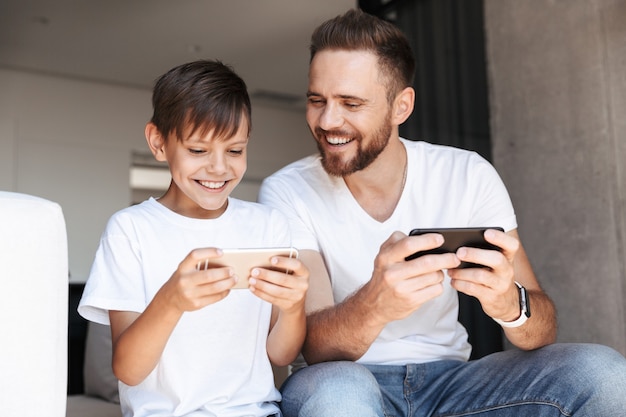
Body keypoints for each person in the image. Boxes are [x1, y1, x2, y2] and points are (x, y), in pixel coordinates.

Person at [258, 9, 626, 417]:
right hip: (342, 377)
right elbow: (312, 345)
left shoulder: (467, 174)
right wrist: (376, 304)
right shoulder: (287, 190)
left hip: (453, 384)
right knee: (340, 396)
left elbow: (542, 331)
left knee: (604, 374)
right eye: (317, 101)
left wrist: (510, 304)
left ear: (401, 106)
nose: (328, 120)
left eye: (351, 103)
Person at [78, 60, 309, 417]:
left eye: (235, 150)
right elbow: (128, 369)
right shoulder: (130, 230)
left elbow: (280, 354)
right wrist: (171, 301)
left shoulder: (268, 225)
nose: (219, 168)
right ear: (158, 142)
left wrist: (293, 307)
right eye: (198, 151)